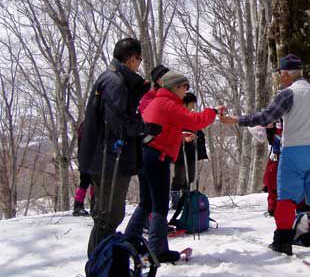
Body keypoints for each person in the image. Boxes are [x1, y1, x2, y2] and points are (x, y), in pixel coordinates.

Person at [220, 54, 310, 256]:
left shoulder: (288, 94)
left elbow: (266, 117)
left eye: (280, 74)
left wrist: (236, 120)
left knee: (287, 197)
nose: (280, 78)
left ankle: (282, 241)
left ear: (285, 74)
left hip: (293, 150)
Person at [124, 71, 224, 263]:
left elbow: (159, 130)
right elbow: (195, 121)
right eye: (184, 87)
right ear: (175, 87)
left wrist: (179, 137)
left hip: (146, 155)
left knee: (146, 203)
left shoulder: (158, 102)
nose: (186, 92)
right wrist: (214, 112)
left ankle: (130, 241)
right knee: (160, 205)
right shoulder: (168, 103)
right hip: (156, 158)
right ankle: (157, 251)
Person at [78, 38, 163, 259]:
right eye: (139, 60)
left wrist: (137, 90)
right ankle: (98, 272)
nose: (139, 65)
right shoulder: (114, 82)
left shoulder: (112, 79)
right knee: (109, 215)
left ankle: (103, 267)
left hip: (105, 158)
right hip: (109, 160)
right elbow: (119, 123)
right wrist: (146, 128)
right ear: (133, 59)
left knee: (108, 216)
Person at [170, 92, 209, 210]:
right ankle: (176, 201)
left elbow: (199, 130)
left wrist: (198, 138)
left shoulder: (191, 116)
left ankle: (186, 199)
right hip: (181, 153)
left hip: (191, 152)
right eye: (191, 103)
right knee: (180, 176)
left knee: (190, 177)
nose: (193, 106)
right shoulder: (177, 115)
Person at [73, 122, 94, 216]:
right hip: (87, 157)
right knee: (87, 181)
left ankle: (81, 205)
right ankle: (79, 206)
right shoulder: (87, 125)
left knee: (89, 182)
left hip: (84, 157)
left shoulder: (84, 124)